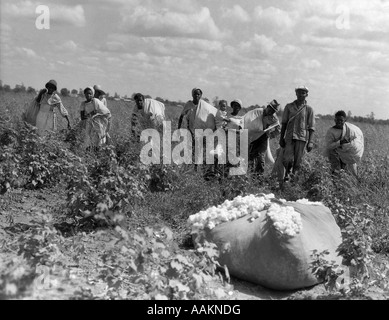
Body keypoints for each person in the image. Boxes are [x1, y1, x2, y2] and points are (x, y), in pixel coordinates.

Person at [279, 86, 315, 183]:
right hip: (290, 136)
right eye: (299, 92)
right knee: (287, 158)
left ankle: (293, 180)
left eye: (303, 93)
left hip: (301, 138)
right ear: (296, 94)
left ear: (306, 95)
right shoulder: (289, 107)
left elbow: (311, 127)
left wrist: (310, 142)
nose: (301, 94)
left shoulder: (309, 109)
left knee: (298, 161)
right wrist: (281, 138)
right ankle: (287, 173)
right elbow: (284, 123)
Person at [244, 100, 281, 174]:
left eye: (273, 111)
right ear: (267, 107)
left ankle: (259, 176)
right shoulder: (257, 112)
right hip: (252, 137)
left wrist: (270, 136)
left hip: (263, 137)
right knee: (251, 156)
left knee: (260, 157)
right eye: (270, 109)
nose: (271, 112)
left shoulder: (274, 118)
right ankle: (250, 175)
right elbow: (247, 119)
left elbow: (278, 130)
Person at [324, 110, 364, 177]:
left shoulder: (350, 130)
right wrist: (340, 142)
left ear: (345, 120)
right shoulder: (331, 131)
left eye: (341, 120)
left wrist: (349, 145)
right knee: (336, 174)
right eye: (337, 120)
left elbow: (356, 140)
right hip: (335, 156)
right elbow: (329, 146)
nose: (339, 122)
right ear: (334, 120)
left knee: (353, 175)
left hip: (349, 155)